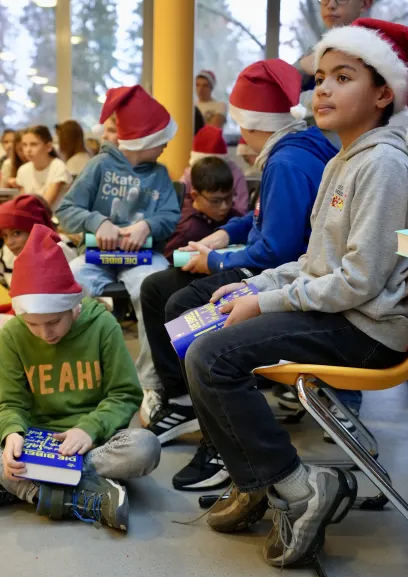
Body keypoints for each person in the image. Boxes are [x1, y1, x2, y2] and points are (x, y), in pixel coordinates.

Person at [172, 18, 408, 567]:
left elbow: (358, 282)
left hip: (367, 330)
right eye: (320, 78)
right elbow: (314, 263)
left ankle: (297, 487)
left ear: (384, 93)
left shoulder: (383, 164)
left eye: (344, 76)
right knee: (206, 334)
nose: (324, 90)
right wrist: (254, 285)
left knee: (213, 355)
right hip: (343, 313)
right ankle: (258, 481)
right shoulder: (344, 159)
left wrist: (261, 303)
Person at [141, 59, 337, 488]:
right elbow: (259, 219)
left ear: (249, 123)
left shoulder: (287, 163)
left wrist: (213, 263)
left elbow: (277, 250)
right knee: (156, 289)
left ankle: (218, 438)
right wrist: (219, 238)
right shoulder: (288, 151)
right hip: (279, 267)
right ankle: (183, 399)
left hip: (286, 275)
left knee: (182, 302)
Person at [0, 224, 160, 529]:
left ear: (74, 306)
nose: (44, 334)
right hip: (37, 441)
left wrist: (89, 428)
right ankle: (84, 495)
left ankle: (34, 488)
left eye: (54, 321)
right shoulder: (12, 335)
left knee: (145, 447)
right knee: (4, 452)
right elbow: (10, 402)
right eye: (32, 324)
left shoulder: (103, 326)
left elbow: (125, 394)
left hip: (94, 442)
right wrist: (12, 436)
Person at [56, 84, 180, 391]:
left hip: (143, 257)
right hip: (97, 257)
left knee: (156, 288)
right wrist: (97, 222)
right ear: (141, 140)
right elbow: (66, 210)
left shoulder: (160, 174)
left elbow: (170, 216)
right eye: (161, 140)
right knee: (68, 284)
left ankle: (151, 382)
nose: (165, 146)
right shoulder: (99, 166)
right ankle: (78, 374)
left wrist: (147, 226)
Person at [140, 155, 241, 424]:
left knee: (170, 298)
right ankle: (177, 393)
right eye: (216, 200)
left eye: (229, 198)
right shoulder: (188, 225)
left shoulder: (235, 218)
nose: (224, 207)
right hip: (196, 277)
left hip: (232, 277)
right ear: (196, 195)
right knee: (160, 292)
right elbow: (174, 257)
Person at [295, 0, 374, 90]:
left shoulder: (373, 55)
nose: (330, 4)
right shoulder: (314, 51)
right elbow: (277, 91)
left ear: (365, 3)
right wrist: (301, 67)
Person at [0, 194, 76, 289]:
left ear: (37, 231)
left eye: (16, 233)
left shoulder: (61, 252)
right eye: (4, 235)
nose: (9, 242)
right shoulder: (5, 256)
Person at [180, 124, 249, 215]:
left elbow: (241, 207)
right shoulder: (189, 174)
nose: (223, 206)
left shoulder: (235, 173)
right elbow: (180, 202)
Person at [16, 126, 72, 211]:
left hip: (54, 220)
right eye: (24, 145)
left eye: (33, 144)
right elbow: (22, 202)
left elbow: (45, 205)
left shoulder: (58, 166)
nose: (28, 150)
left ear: (48, 147)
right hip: (33, 217)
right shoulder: (23, 170)